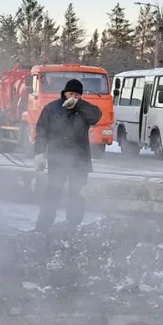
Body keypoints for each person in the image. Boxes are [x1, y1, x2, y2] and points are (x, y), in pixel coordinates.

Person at [33, 78, 102, 233]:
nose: (74, 97)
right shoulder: (52, 109)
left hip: (79, 161)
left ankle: (73, 227)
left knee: (77, 195)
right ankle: (42, 227)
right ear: (64, 93)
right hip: (58, 160)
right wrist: (39, 153)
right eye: (71, 93)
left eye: (77, 95)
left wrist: (79, 105)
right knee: (53, 192)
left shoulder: (83, 110)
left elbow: (97, 115)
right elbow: (41, 131)